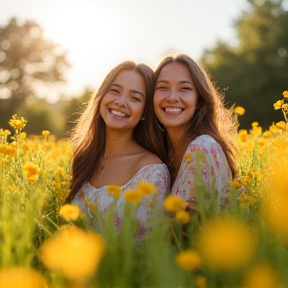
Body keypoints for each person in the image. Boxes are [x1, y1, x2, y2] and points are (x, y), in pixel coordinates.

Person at [66, 61, 170, 239]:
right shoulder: (86, 157)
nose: (121, 102)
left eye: (135, 98)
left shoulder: (151, 170)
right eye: (115, 91)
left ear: (145, 112)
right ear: (102, 96)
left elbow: (147, 246)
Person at [153, 54, 238, 212]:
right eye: (162, 87)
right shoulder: (157, 154)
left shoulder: (203, 148)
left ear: (199, 100)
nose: (172, 97)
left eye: (185, 88)